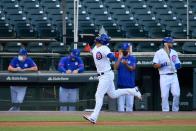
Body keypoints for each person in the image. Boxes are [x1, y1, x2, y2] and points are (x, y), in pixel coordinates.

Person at [83, 34, 142, 124]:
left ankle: (94, 117)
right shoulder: (96, 48)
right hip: (104, 75)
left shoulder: (104, 48)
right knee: (113, 94)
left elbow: (112, 56)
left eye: (99, 38)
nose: (97, 39)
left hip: (106, 75)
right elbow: (94, 52)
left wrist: (117, 55)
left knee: (98, 95)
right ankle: (134, 91)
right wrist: (89, 50)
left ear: (101, 41)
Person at [153, 37, 181, 112]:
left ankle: (175, 110)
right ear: (165, 43)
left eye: (172, 42)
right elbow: (155, 65)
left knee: (176, 94)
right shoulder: (159, 52)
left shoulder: (174, 52)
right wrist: (164, 64)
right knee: (164, 96)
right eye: (170, 42)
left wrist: (177, 65)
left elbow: (178, 63)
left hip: (174, 75)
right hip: (164, 76)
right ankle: (165, 111)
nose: (172, 43)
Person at [114, 43, 137, 112]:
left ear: (128, 49)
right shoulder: (118, 58)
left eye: (126, 49)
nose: (124, 51)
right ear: (121, 50)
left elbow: (132, 68)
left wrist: (126, 64)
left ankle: (130, 122)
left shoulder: (132, 58)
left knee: (129, 107)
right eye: (123, 49)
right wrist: (119, 59)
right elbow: (115, 68)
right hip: (120, 86)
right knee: (120, 107)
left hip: (130, 86)